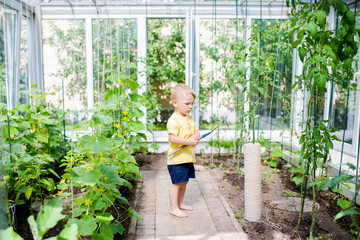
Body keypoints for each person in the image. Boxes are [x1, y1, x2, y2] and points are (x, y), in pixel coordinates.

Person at [166, 83, 200, 218]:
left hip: (187, 158)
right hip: (177, 160)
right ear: (175, 103)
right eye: (187, 104)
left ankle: (180, 203)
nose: (190, 107)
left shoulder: (189, 118)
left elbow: (195, 132)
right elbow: (173, 138)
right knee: (176, 184)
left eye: (192, 104)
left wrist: (196, 136)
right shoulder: (174, 120)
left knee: (184, 182)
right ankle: (174, 208)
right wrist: (189, 141)